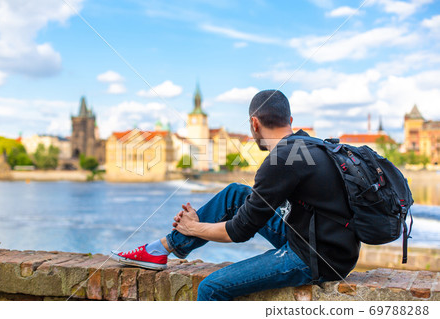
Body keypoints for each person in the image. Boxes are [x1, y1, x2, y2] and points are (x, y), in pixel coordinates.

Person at [111, 89, 360, 301]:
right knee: (235, 194)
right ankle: (162, 247)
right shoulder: (312, 145)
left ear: (254, 123)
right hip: (326, 243)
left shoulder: (279, 161)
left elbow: (238, 232)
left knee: (210, 288)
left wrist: (193, 228)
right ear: (290, 119)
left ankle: (167, 245)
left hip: (315, 257)